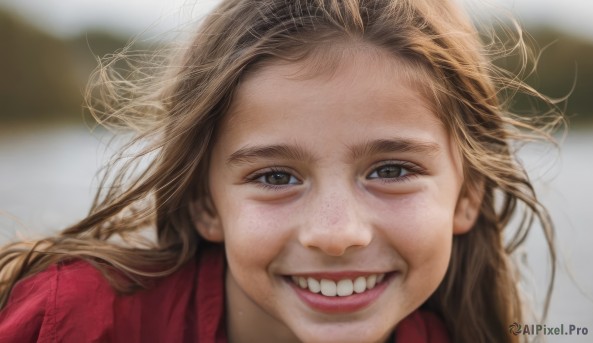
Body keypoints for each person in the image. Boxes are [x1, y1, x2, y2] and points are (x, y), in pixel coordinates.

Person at [0, 0, 562, 342]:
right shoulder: (70, 321)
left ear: (467, 197)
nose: (337, 234)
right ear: (205, 203)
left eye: (391, 169)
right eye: (275, 177)